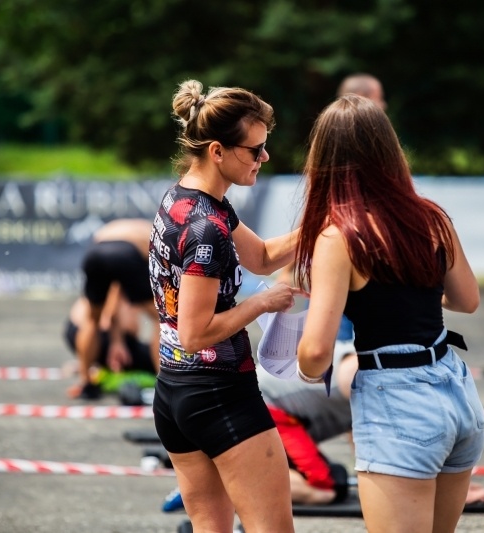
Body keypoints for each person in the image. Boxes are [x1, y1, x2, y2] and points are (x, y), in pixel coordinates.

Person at [295, 94, 484, 533]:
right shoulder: (432, 217)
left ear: (324, 160)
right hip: (455, 390)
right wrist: (411, 297)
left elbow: (317, 352)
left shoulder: (339, 236)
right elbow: (467, 300)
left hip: (397, 401)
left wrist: (300, 358)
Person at [149, 79, 302, 533]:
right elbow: (196, 332)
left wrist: (324, 223)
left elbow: (262, 257)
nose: (264, 157)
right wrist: (263, 303)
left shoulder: (190, 200)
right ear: (218, 151)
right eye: (254, 150)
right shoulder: (207, 227)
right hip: (219, 393)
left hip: (175, 392)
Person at [65, 218, 160, 400]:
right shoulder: (156, 232)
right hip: (127, 252)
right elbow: (119, 291)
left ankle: (87, 383)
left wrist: (117, 340)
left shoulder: (114, 228)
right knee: (160, 319)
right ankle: (165, 384)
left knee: (92, 320)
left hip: (95, 253)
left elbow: (114, 291)